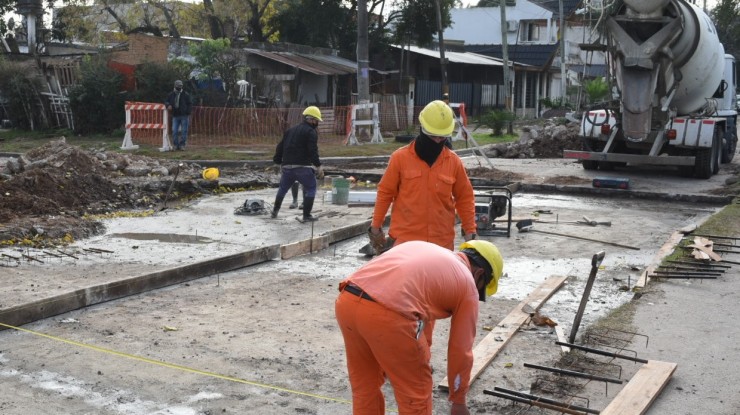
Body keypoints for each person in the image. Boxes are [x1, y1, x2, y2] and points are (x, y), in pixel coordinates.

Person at [335, 239, 504, 415]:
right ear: (479, 274)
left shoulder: (433, 255)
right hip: (388, 314)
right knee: (415, 394)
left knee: (365, 385)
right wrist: (458, 401)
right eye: (481, 288)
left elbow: (422, 315)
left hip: (348, 300)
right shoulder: (468, 284)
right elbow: (461, 349)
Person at [368, 100, 477, 252]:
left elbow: (465, 197)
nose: (437, 142)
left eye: (441, 138)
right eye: (433, 137)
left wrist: (470, 234)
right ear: (422, 129)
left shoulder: (453, 162)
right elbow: (385, 193)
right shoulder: (400, 158)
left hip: (441, 245)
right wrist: (375, 228)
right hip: (405, 244)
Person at [271, 106, 324, 221]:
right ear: (311, 119)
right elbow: (312, 150)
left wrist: (277, 162)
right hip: (302, 167)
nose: (317, 123)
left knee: (282, 189)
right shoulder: (311, 132)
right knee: (311, 187)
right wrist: (318, 166)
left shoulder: (290, 130)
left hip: (287, 167)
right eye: (316, 120)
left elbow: (280, 146)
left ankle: (275, 211)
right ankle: (306, 215)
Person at [165, 80, 193, 151]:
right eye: (178, 86)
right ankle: (175, 145)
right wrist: (168, 105)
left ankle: (182, 145)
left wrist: (187, 112)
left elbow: (190, 103)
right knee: (174, 131)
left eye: (181, 86)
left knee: (184, 131)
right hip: (175, 115)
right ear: (175, 86)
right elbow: (166, 101)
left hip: (184, 115)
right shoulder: (171, 94)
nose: (179, 87)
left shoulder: (186, 94)